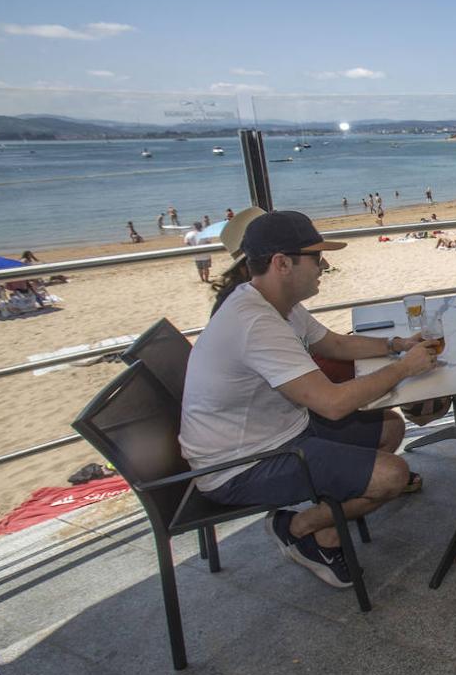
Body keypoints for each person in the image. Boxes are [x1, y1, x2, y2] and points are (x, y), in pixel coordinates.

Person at [181, 210, 437, 588]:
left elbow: (332, 343)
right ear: (282, 263)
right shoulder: (256, 322)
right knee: (392, 476)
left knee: (390, 426)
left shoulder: (272, 302)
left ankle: (324, 522)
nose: (325, 265)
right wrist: (404, 368)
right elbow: (332, 404)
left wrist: (395, 346)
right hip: (239, 465)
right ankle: (300, 529)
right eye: (316, 258)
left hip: (280, 431)